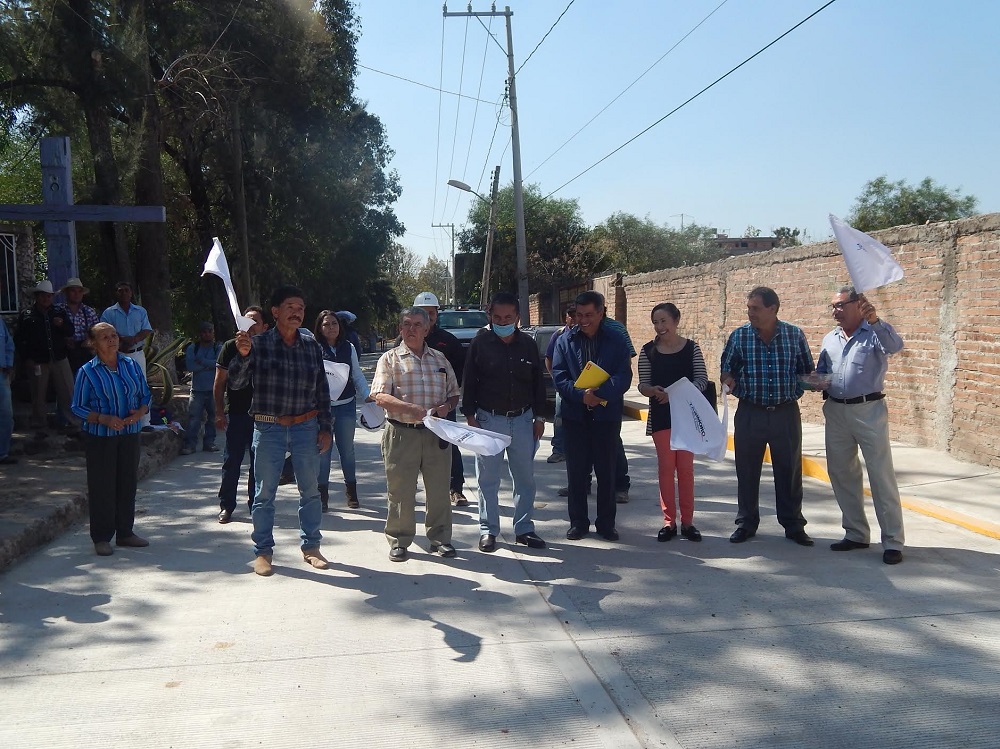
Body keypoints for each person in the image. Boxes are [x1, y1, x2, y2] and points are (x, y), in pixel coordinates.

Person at [228, 286, 333, 577]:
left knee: (310, 492)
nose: (297, 312)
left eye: (300, 307)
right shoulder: (257, 345)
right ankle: (262, 552)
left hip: (306, 427)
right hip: (269, 427)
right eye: (290, 306)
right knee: (264, 495)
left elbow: (322, 391)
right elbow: (236, 383)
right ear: (275, 312)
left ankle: (311, 547)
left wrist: (326, 428)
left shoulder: (312, 346)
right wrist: (243, 355)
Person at [816, 285, 906, 565]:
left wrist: (876, 321)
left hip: (869, 410)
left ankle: (892, 541)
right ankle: (855, 533)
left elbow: (895, 346)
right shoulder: (829, 338)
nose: (835, 311)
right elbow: (823, 373)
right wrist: (812, 380)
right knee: (842, 473)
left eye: (840, 305)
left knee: (880, 476)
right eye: (833, 306)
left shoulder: (874, 334)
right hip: (836, 411)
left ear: (859, 304)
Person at [720, 286, 815, 546]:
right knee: (747, 470)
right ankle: (746, 522)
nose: (750, 313)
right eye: (749, 308)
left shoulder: (794, 335)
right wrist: (728, 380)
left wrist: (816, 382)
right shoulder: (739, 337)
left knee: (790, 470)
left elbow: (806, 370)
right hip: (751, 412)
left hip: (786, 412)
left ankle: (793, 524)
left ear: (772, 309)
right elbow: (726, 369)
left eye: (755, 308)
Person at [371, 306, 460, 562]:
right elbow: (379, 396)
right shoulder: (389, 359)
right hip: (401, 434)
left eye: (417, 324)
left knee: (439, 489)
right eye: (407, 324)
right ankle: (399, 539)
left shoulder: (440, 359)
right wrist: (409, 409)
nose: (412, 329)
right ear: (400, 329)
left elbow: (454, 393)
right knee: (400, 491)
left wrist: (447, 407)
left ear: (427, 329)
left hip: (435, 434)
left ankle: (440, 538)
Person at [463, 292, 547, 552]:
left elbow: (537, 383)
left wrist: (540, 417)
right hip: (489, 421)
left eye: (508, 317)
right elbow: (470, 381)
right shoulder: (480, 344)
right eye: (497, 317)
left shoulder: (528, 345)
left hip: (523, 421)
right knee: (488, 480)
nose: (503, 321)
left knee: (525, 479)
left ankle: (524, 528)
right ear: (490, 316)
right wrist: (470, 417)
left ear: (518, 317)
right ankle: (489, 531)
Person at [551, 291, 633, 541]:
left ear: (601, 312)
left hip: (606, 416)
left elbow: (624, 374)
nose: (583, 320)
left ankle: (606, 524)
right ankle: (578, 523)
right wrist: (580, 395)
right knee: (576, 473)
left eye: (589, 315)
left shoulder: (615, 339)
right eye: (579, 315)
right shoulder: (565, 341)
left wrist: (602, 392)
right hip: (575, 416)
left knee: (607, 473)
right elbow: (559, 375)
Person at [70, 322, 152, 556]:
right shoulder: (87, 371)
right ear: (93, 343)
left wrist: (140, 411)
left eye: (114, 335)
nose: (111, 340)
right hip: (101, 438)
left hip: (129, 434)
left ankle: (125, 533)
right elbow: (77, 407)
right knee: (102, 487)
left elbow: (145, 393)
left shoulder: (131, 365)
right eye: (105, 337)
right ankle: (102, 537)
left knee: (127, 484)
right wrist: (102, 418)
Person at [637, 303, 708, 542]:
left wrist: (678, 393)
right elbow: (642, 384)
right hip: (661, 416)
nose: (659, 327)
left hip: (687, 417)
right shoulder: (648, 351)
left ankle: (688, 523)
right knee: (666, 470)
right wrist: (650, 391)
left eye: (664, 321)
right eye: (655, 322)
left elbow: (702, 381)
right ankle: (669, 522)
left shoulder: (691, 349)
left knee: (686, 470)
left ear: (676, 320)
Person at [413, 291, 469, 506]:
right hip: (414, 407)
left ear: (437, 314)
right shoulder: (404, 339)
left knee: (448, 445)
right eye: (424, 313)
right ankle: (417, 489)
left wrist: (450, 396)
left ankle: (456, 488)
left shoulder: (448, 341)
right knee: (413, 449)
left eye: (432, 312)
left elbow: (461, 370)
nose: (429, 317)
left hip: (443, 405)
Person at [215, 306, 268, 523]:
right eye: (246, 321)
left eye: (255, 321)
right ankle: (227, 505)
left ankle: (255, 505)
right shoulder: (229, 347)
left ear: (264, 326)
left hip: (263, 415)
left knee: (259, 464)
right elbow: (220, 382)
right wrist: (219, 411)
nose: (250, 326)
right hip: (237, 413)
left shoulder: (268, 347)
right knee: (232, 461)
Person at [314, 310, 371, 511]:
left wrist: (368, 396)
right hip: (322, 410)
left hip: (346, 406)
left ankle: (352, 492)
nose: (331, 328)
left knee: (347, 451)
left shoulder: (349, 347)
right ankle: (322, 495)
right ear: (320, 328)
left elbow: (356, 375)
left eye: (334, 324)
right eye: (326, 324)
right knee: (323, 453)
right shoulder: (313, 347)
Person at [15, 280, 76, 430]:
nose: (46, 299)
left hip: (59, 357)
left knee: (68, 392)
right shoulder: (27, 315)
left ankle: (75, 424)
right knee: (38, 395)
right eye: (42, 296)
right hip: (37, 360)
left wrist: (62, 325)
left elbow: (70, 331)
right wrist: (27, 359)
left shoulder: (59, 312)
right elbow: (20, 339)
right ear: (37, 296)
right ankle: (39, 426)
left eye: (48, 296)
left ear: (52, 297)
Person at [101, 282, 153, 428]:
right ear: (116, 293)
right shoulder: (109, 313)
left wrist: (134, 339)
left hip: (136, 353)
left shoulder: (140, 311)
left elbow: (147, 329)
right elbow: (103, 331)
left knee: (141, 386)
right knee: (117, 385)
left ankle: (144, 422)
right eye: (120, 291)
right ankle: (119, 420)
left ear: (131, 293)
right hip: (116, 354)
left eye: (126, 290)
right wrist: (122, 339)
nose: (123, 293)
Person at [181, 322, 222, 454]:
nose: (207, 334)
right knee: (194, 418)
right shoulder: (193, 348)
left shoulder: (218, 347)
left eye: (209, 331)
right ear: (200, 333)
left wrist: (201, 361)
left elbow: (219, 364)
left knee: (212, 417)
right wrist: (209, 365)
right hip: (197, 390)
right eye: (204, 331)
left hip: (214, 390)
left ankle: (209, 443)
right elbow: (190, 367)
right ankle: (190, 445)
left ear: (213, 332)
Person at [544, 303, 575, 463]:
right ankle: (558, 450)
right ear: (566, 318)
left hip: (584, 387)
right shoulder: (559, 335)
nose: (574, 319)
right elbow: (548, 359)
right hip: (563, 387)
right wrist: (556, 378)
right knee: (559, 417)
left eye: (577, 314)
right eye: (571, 315)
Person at [60, 277, 101, 373]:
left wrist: (88, 340)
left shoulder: (89, 311)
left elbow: (98, 333)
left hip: (85, 354)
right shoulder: (58, 310)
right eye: (73, 291)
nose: (76, 294)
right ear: (66, 292)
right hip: (63, 355)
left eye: (79, 291)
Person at [0, 317, 15, 465]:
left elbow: (9, 345)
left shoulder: (0, 322)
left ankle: (2, 453)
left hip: (1, 374)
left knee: (6, 416)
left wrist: (9, 365)